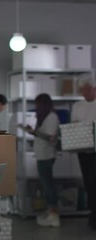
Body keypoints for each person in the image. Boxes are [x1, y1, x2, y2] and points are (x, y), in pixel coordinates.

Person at [22, 93, 60, 227]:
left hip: (46, 155)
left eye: (38, 105)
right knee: (46, 184)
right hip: (42, 155)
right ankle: (51, 211)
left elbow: (50, 137)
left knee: (48, 184)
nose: (36, 107)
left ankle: (54, 214)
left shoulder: (52, 117)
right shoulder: (44, 117)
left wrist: (34, 132)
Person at [71, 80, 96, 229]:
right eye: (82, 91)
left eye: (87, 90)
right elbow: (73, 125)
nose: (84, 93)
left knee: (94, 181)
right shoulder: (77, 106)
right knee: (88, 181)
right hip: (83, 150)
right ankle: (93, 213)